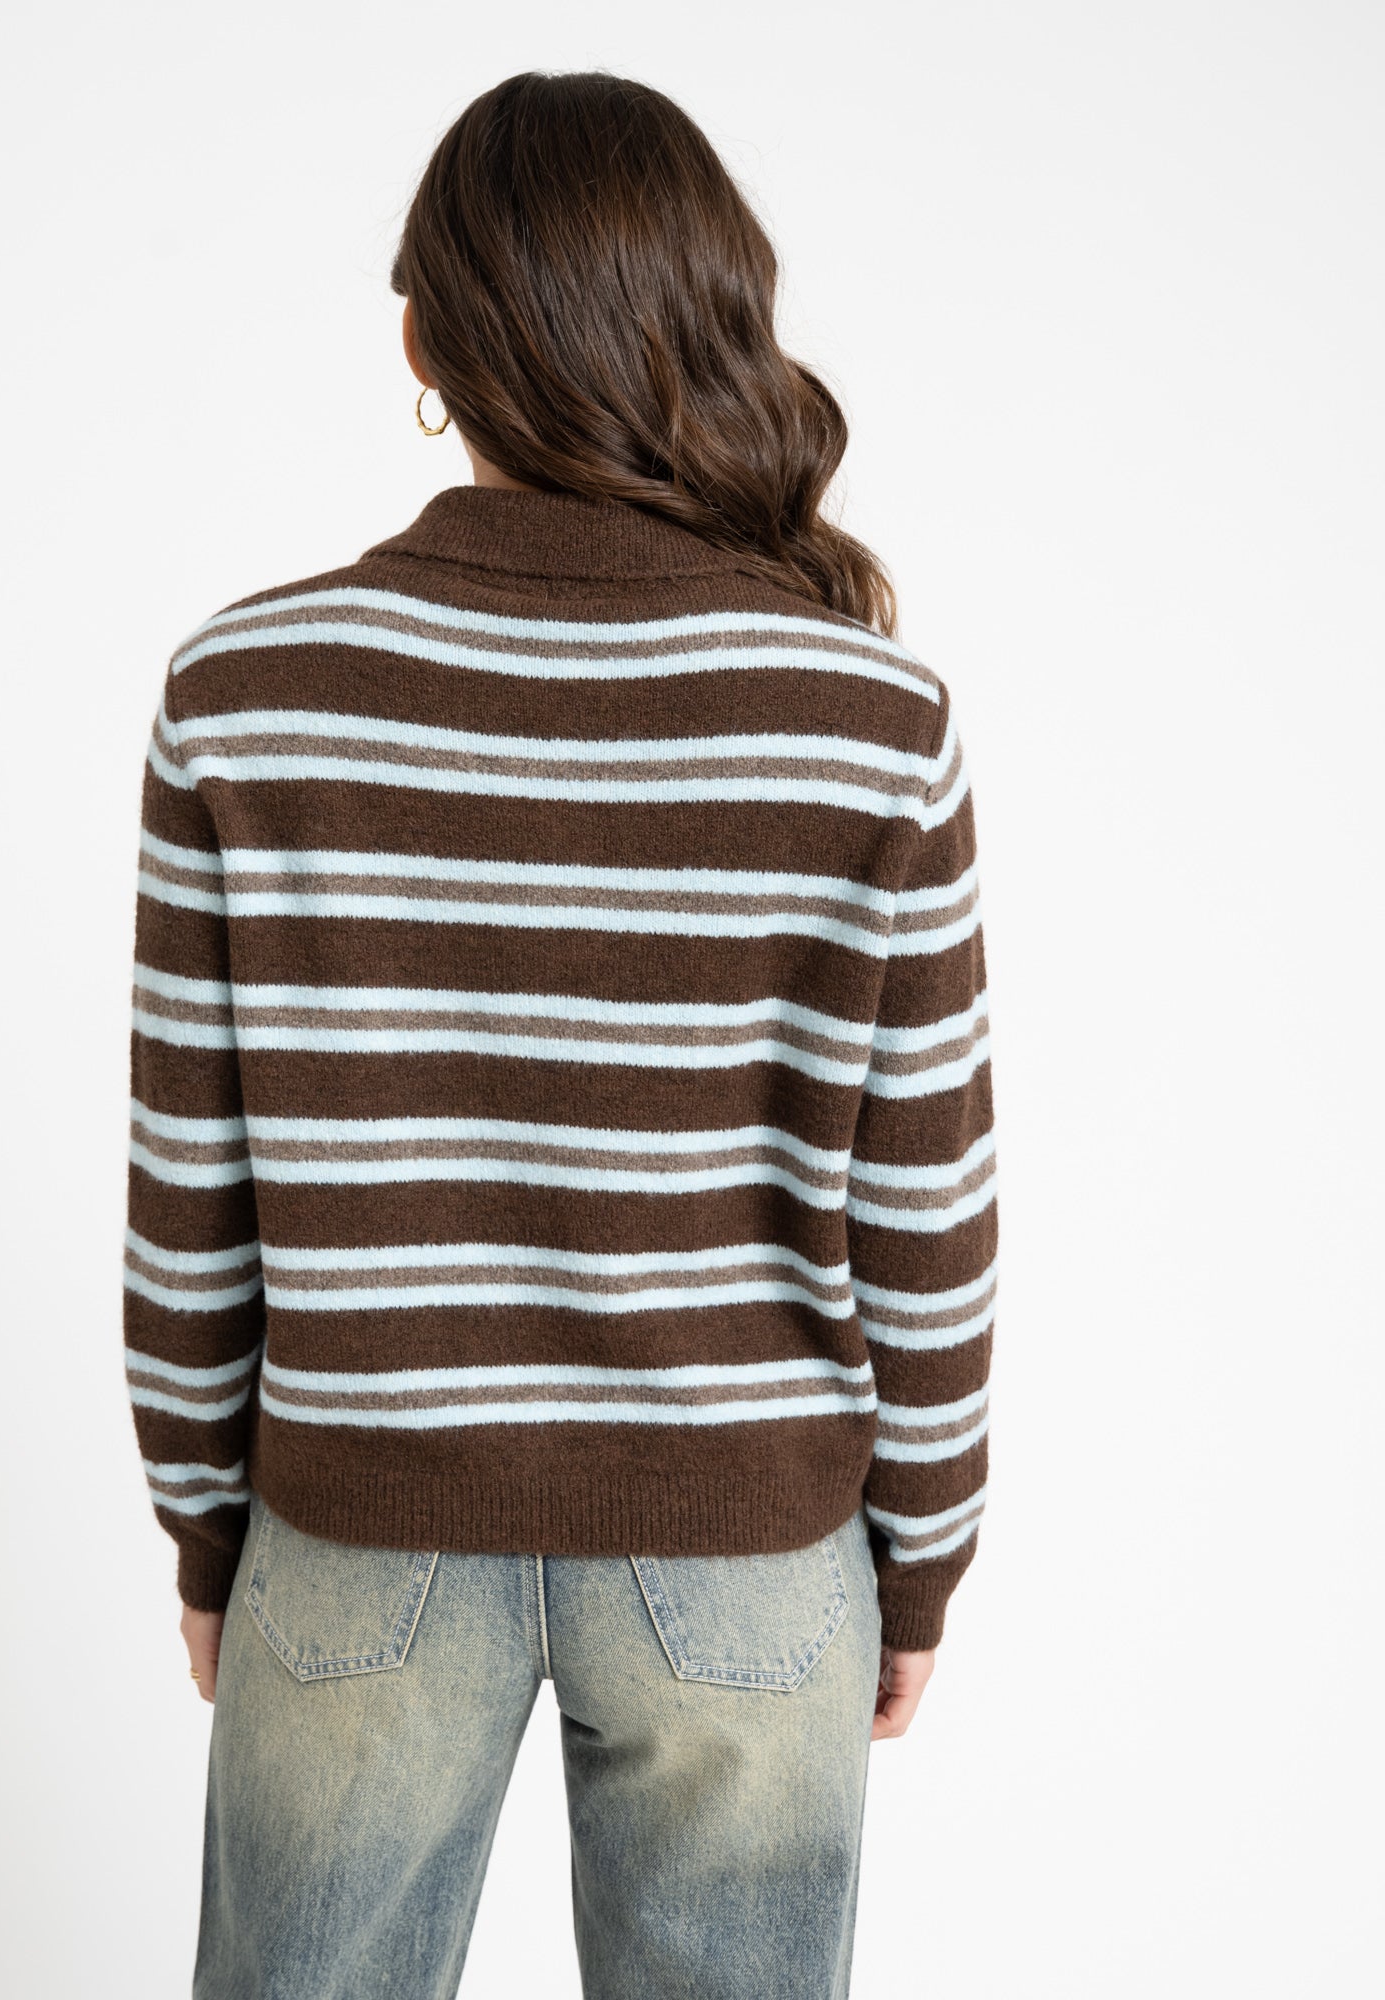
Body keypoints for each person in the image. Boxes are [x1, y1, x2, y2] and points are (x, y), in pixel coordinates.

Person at [123, 68, 996, 2000]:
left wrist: (208, 1530)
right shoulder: (873, 724)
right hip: (749, 1554)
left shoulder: (247, 693)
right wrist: (920, 1554)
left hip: (360, 1518)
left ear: (424, 342)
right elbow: (925, 1212)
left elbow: (190, 1198)